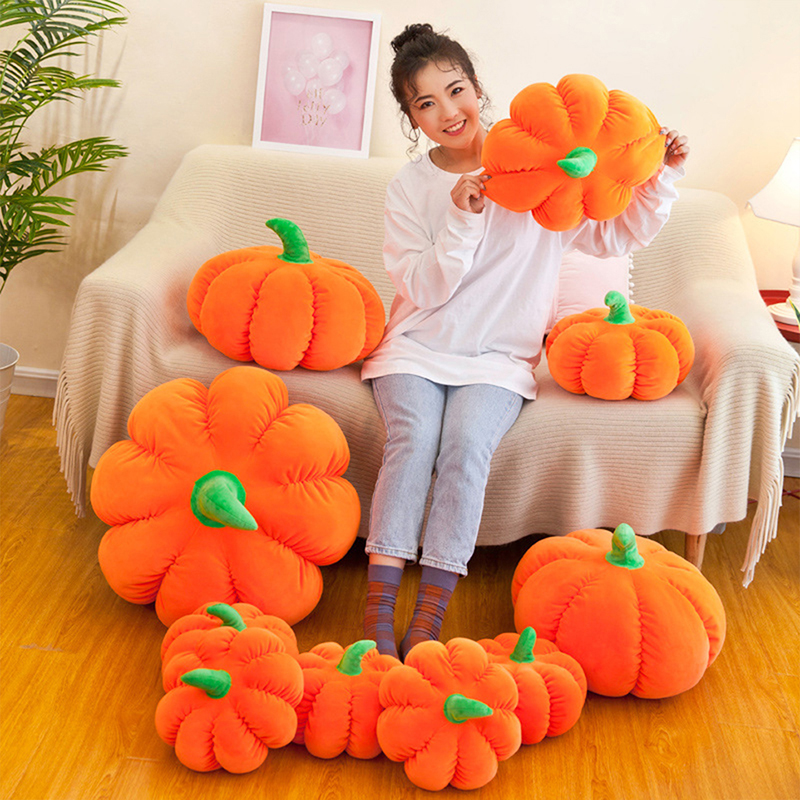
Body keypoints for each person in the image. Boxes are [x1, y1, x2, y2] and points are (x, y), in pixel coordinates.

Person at [360, 23, 689, 661]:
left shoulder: (542, 167)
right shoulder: (410, 187)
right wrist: (461, 218)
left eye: (456, 90)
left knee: (465, 449)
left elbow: (613, 235)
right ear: (411, 118)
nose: (448, 112)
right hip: (415, 349)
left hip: (498, 360)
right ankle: (377, 610)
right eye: (426, 103)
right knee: (414, 440)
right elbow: (423, 287)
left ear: (477, 88)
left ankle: (427, 618)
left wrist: (662, 177)